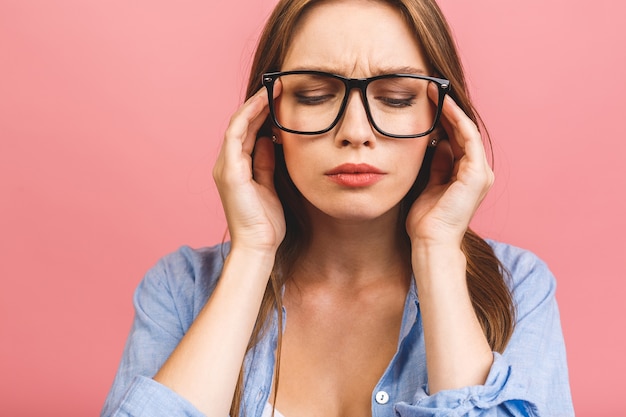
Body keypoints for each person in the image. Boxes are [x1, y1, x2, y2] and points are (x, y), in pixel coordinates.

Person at [101, 0, 574, 416]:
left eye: (394, 97)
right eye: (314, 95)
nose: (355, 131)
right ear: (269, 118)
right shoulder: (180, 290)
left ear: (441, 122)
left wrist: (437, 254)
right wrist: (252, 253)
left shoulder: (520, 288)